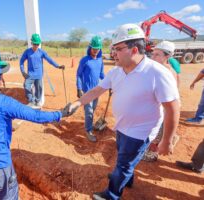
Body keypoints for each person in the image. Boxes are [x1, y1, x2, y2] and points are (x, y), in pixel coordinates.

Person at [67, 24, 180, 200]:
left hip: (140, 133)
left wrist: (167, 140)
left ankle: (111, 194)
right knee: (124, 158)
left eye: (117, 49)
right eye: (113, 49)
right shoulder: (116, 71)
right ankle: (127, 180)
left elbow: (172, 108)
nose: (113, 53)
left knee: (123, 164)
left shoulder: (157, 73)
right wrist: (78, 102)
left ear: (134, 49)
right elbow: (97, 90)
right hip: (121, 127)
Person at [0, 44, 71, 200]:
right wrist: (60, 113)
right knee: (9, 194)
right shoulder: (3, 103)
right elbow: (36, 116)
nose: (1, 78)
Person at [142, 41, 181, 162]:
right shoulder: (159, 68)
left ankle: (152, 154)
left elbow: (171, 102)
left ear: (167, 56)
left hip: (163, 111)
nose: (152, 57)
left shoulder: (167, 72)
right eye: (153, 54)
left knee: (157, 134)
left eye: (157, 55)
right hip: (156, 107)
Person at [20, 33, 65, 108]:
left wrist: (58, 66)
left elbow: (49, 60)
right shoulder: (27, 52)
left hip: (38, 75)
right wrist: (23, 71)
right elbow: (21, 61)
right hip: (30, 75)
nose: (36, 46)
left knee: (39, 89)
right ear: (31, 43)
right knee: (26, 86)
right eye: (35, 44)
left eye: (38, 44)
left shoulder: (41, 52)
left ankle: (37, 102)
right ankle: (31, 100)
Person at [76, 36, 105, 142]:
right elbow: (78, 75)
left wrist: (110, 82)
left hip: (96, 91)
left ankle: (89, 124)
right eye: (94, 49)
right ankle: (89, 131)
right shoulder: (84, 60)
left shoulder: (100, 60)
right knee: (89, 111)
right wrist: (79, 88)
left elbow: (101, 74)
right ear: (90, 48)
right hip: (86, 91)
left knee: (92, 110)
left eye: (98, 49)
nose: (96, 51)